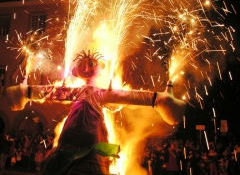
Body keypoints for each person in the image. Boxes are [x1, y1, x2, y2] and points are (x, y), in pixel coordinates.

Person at [7, 50, 186, 175]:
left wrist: (156, 99)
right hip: (69, 140)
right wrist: (27, 91)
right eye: (82, 65)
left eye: (90, 64)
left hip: (91, 139)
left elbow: (129, 96)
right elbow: (50, 92)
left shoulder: (101, 93)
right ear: (77, 71)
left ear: (98, 68)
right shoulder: (74, 92)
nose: (86, 68)